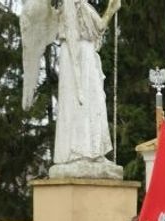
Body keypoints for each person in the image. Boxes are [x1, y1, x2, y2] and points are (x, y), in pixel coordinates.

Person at [20, 0, 123, 176]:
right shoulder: (67, 6)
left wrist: (111, 9)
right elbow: (74, 30)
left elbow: (98, 27)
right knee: (77, 103)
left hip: (88, 56)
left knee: (95, 101)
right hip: (74, 56)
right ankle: (77, 153)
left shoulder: (84, 6)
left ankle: (94, 152)